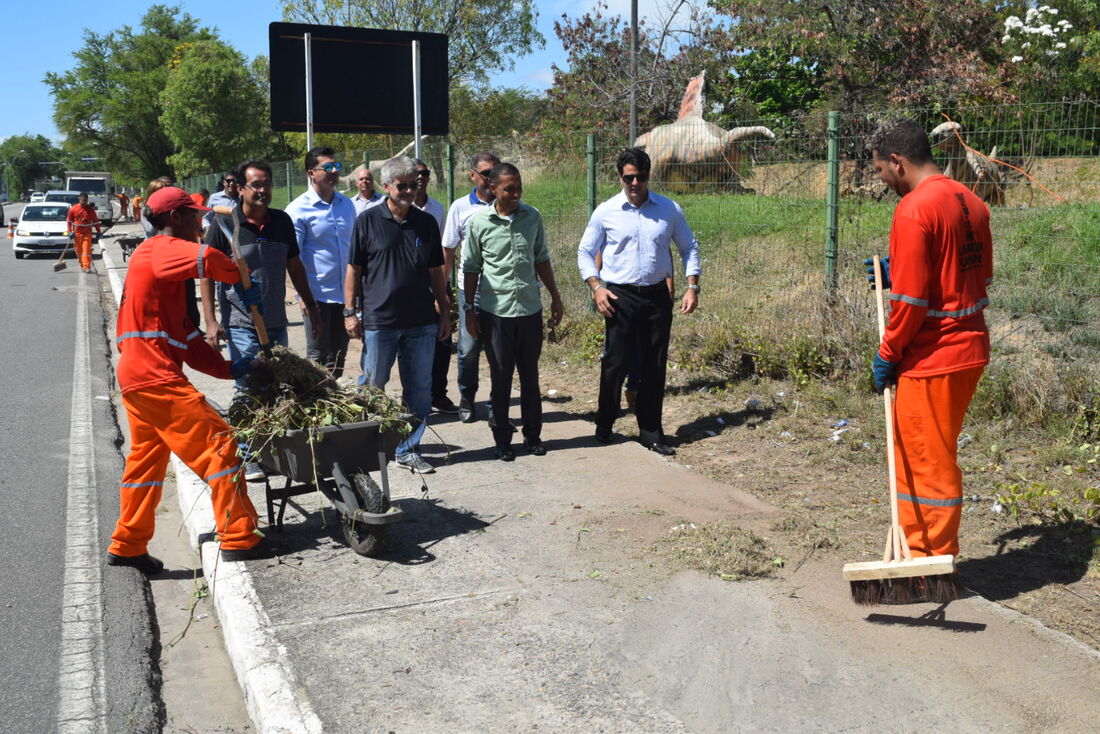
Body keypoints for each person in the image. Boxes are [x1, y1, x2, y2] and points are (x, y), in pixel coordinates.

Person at [107, 186, 265, 573]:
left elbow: (188, 340)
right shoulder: (157, 249)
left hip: (140, 376)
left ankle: (128, 544)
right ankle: (239, 537)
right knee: (221, 446)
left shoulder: (167, 284)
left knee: (146, 462)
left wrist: (230, 368)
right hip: (154, 377)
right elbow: (210, 256)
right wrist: (238, 278)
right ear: (174, 218)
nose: (200, 221)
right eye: (194, 215)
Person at [868, 118, 993, 559]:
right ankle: (929, 552)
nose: (883, 181)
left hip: (933, 358)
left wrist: (887, 353)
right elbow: (975, 274)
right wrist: (897, 267)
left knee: (924, 460)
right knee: (936, 452)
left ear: (898, 162)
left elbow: (911, 303)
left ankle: (927, 561)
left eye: (882, 170)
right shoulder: (971, 201)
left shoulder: (914, 208)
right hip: (971, 349)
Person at [578, 147, 701, 456]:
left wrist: (691, 286)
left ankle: (650, 430)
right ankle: (605, 422)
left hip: (657, 297)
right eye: (628, 177)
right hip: (619, 296)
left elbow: (689, 247)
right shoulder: (606, 211)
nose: (634, 184)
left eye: (640, 177)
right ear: (620, 177)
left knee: (653, 365)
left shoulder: (669, 209)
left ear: (649, 176)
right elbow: (584, 251)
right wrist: (596, 287)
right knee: (615, 363)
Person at [202, 160, 320, 480]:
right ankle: (247, 451)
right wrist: (211, 321)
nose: (263, 190)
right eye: (255, 184)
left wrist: (309, 303)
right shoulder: (224, 224)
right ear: (239, 189)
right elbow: (207, 273)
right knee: (247, 386)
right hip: (241, 321)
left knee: (275, 385)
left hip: (276, 321)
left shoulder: (282, 222)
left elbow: (294, 266)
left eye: (266, 183)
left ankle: (269, 445)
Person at [344, 156, 451, 474]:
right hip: (380, 321)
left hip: (420, 322)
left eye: (413, 184)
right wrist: (350, 312)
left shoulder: (426, 222)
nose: (409, 191)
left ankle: (408, 449)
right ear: (387, 187)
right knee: (373, 385)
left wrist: (444, 312)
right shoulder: (367, 221)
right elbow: (354, 269)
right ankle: (364, 446)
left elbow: (436, 272)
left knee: (419, 388)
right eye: (402, 185)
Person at [463, 163, 563, 460]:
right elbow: (470, 268)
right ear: (492, 188)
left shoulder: (532, 217)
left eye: (519, 187)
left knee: (530, 377)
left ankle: (533, 436)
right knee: (501, 378)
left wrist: (555, 297)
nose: (516, 193)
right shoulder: (480, 223)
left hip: (529, 311)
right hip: (496, 315)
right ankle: (503, 439)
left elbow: (541, 258)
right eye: (509, 188)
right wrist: (470, 310)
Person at [286, 147, 358, 377]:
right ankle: (313, 406)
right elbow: (292, 259)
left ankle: (332, 405)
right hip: (316, 296)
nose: (334, 171)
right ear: (311, 173)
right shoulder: (298, 210)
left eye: (336, 166)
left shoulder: (347, 205)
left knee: (338, 356)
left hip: (345, 295)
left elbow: (355, 250)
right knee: (317, 357)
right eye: (327, 167)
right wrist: (302, 297)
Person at [442, 152, 500, 423]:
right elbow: (449, 250)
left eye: (495, 172)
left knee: (499, 350)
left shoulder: (508, 204)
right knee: (468, 349)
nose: (491, 178)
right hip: (471, 291)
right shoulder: (460, 207)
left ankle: (497, 403)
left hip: (501, 293)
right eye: (486, 173)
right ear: (473, 175)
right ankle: (467, 396)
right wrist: (445, 287)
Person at [413, 159, 458, 415]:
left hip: (436, 282)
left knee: (442, 341)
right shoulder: (398, 208)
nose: (421, 178)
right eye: (416, 174)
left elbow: (443, 251)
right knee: (414, 343)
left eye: (425, 174)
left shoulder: (438, 209)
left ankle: (438, 395)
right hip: (410, 288)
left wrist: (443, 288)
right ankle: (415, 397)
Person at [66, 191, 102, 273]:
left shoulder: (90, 210)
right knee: (79, 251)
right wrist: (69, 231)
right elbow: (69, 221)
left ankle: (86, 266)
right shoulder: (73, 209)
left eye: (85, 201)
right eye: (82, 200)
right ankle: (82, 265)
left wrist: (99, 231)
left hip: (87, 233)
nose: (84, 202)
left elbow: (95, 221)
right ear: (79, 199)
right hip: (77, 234)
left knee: (86, 250)